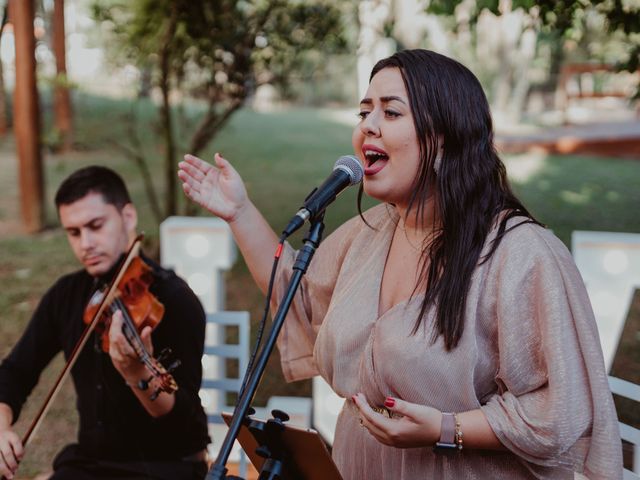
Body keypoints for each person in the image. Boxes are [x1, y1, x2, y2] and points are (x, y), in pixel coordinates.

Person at [178, 49, 623, 479]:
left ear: (446, 137)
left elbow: (562, 409)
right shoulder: (368, 232)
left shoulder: (520, 253)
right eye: (364, 112)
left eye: (390, 113)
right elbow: (300, 302)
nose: (368, 126)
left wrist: (446, 430)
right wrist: (240, 213)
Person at [0, 166, 210, 480]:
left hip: (164, 468)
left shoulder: (173, 300)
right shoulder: (67, 295)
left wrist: (138, 373)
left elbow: (183, 421)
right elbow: (15, 372)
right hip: (91, 466)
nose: (85, 244)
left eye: (95, 226)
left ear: (128, 217)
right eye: (73, 232)